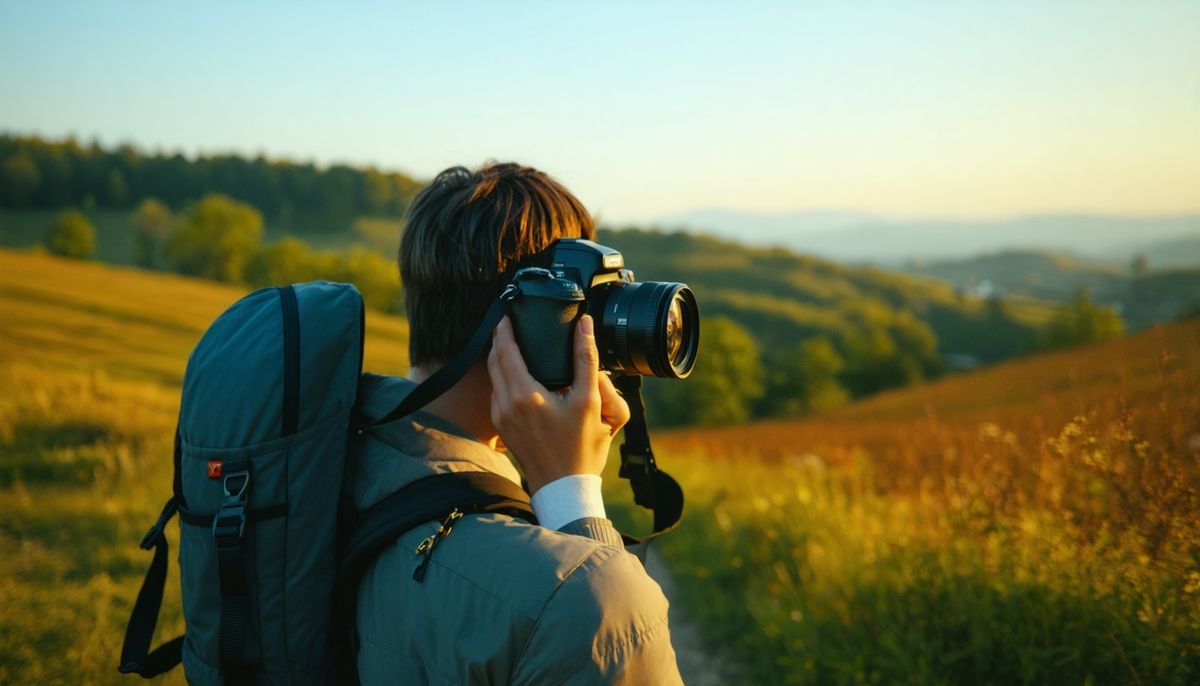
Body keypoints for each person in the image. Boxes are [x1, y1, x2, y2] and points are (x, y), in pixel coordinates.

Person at [347, 163, 683, 684]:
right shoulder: (582, 600)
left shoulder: (330, 452)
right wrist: (570, 494)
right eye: (587, 297)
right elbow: (608, 626)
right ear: (519, 318)